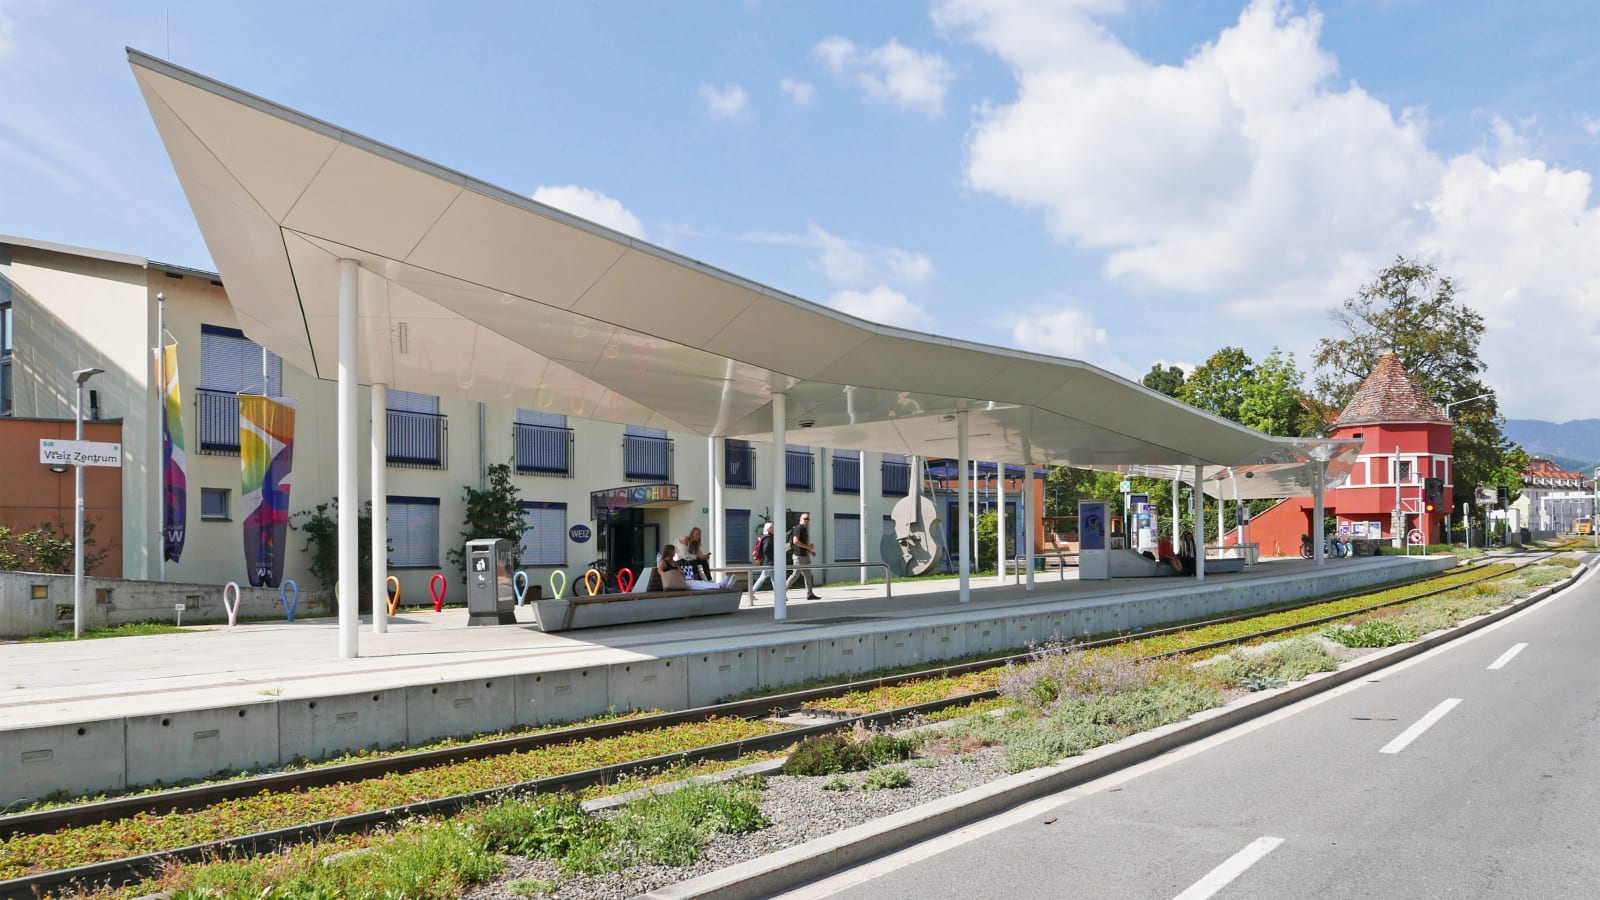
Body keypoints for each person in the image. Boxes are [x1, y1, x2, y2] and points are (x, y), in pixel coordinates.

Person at [658, 543, 735, 591]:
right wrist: (667, 576)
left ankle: (720, 585)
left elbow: (680, 572)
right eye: (674, 550)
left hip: (680, 582)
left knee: (699, 583)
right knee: (696, 584)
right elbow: (660, 570)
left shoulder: (674, 562)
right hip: (673, 584)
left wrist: (681, 572)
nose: (675, 552)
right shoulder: (663, 562)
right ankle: (720, 585)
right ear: (670, 551)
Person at [786, 512, 820, 599]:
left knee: (808, 575)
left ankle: (810, 594)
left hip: (804, 556)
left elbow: (802, 543)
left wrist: (810, 551)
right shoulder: (798, 528)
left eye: (808, 519)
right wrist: (808, 547)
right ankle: (781, 592)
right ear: (800, 519)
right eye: (805, 519)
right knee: (796, 574)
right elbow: (796, 541)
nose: (806, 520)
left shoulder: (804, 529)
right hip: (798, 556)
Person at [749, 522, 777, 592]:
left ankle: (779, 594)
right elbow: (766, 549)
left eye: (773, 527)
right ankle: (751, 592)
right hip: (769, 561)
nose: (773, 529)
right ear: (767, 529)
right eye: (771, 527)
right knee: (764, 577)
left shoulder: (765, 537)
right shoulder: (768, 538)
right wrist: (773, 552)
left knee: (773, 578)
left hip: (768, 561)